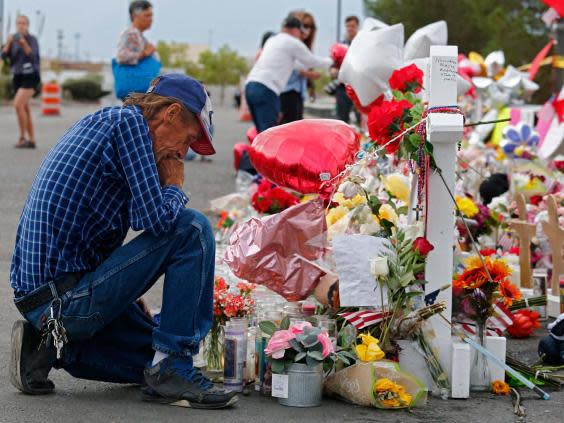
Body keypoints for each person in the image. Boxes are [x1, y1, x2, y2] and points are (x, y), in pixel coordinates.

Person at [9, 74, 238, 409]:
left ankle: (47, 347)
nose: (183, 153)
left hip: (49, 300)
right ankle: (173, 366)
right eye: (188, 140)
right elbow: (154, 221)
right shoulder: (129, 126)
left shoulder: (112, 122)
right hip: (61, 298)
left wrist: (128, 296)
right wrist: (174, 185)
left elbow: (107, 228)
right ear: (171, 114)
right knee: (191, 228)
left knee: (150, 355)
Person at [245, 16, 332, 133]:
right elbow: (311, 61)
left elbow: (295, 65)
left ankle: (253, 151)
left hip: (251, 86)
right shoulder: (292, 42)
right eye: (300, 32)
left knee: (261, 133)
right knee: (269, 134)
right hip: (267, 89)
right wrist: (333, 60)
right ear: (295, 30)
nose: (300, 36)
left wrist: (309, 74)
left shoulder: (273, 40)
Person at [1, 15, 40, 149]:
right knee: (25, 108)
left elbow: (33, 57)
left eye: (23, 23)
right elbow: (4, 57)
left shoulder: (32, 40)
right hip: (17, 76)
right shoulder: (12, 40)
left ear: (27, 25)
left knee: (18, 105)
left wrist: (23, 43)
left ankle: (22, 137)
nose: (21, 26)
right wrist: (8, 44)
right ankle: (32, 139)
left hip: (31, 76)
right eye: (18, 23)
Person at [280, 11, 320, 124]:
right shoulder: (289, 43)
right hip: (287, 90)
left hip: (298, 92)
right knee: (287, 127)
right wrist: (307, 74)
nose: (307, 30)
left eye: (311, 27)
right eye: (305, 26)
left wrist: (310, 84)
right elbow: (294, 66)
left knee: (296, 126)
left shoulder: (305, 47)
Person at [331, 15, 360, 124]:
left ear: (357, 27)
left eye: (352, 26)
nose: (350, 28)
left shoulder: (362, 44)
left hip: (358, 88)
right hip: (343, 88)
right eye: (348, 26)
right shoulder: (340, 46)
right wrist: (333, 69)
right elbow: (334, 63)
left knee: (360, 119)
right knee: (341, 120)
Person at [116, 0, 155, 65]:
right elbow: (121, 57)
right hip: (134, 75)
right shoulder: (131, 33)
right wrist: (144, 53)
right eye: (147, 16)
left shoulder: (139, 35)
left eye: (151, 16)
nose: (151, 19)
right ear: (134, 16)